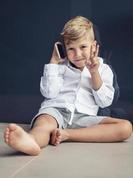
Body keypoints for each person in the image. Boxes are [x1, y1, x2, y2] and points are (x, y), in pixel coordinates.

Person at [4, 16, 132, 156]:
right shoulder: (60, 66)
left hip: (85, 117)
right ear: (64, 48)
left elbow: (104, 102)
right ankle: (31, 141)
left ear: (94, 46)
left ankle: (67, 134)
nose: (77, 54)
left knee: (125, 127)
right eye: (71, 48)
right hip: (56, 111)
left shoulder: (103, 69)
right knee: (44, 124)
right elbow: (49, 93)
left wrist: (94, 72)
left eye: (83, 47)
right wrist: (53, 62)